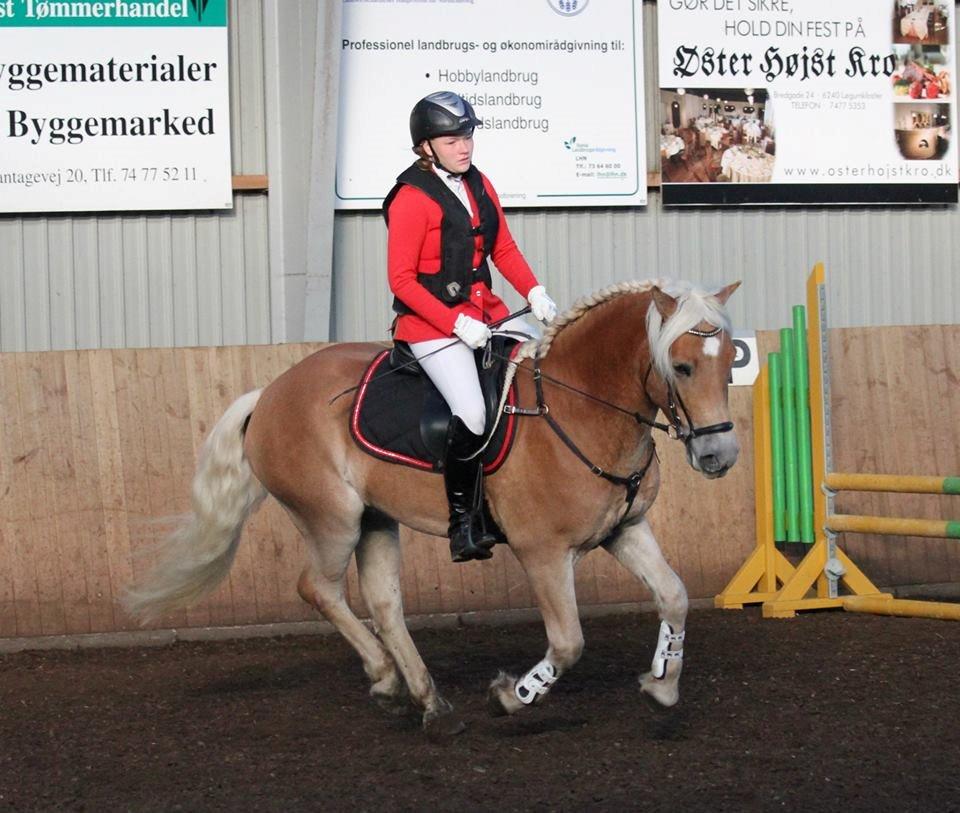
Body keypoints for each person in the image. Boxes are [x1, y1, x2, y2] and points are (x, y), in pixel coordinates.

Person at [383, 90, 558, 563]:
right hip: (430, 327)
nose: (465, 146)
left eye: (468, 135)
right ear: (426, 146)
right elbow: (401, 280)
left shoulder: (480, 183)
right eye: (452, 139)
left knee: (544, 376)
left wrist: (533, 291)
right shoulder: (410, 199)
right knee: (474, 413)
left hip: (487, 314)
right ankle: (464, 521)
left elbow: (503, 249)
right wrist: (454, 323)